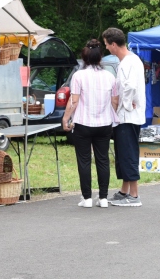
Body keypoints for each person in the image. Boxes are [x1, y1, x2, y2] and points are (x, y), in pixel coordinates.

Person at [61, 39, 118, 208]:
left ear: (84, 57)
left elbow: (74, 101)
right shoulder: (110, 76)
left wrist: (66, 118)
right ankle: (103, 198)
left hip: (83, 123)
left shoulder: (78, 76)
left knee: (84, 160)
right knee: (103, 160)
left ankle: (86, 198)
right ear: (101, 57)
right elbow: (115, 101)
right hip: (104, 123)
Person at [103, 27, 146, 207]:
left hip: (128, 116)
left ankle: (134, 195)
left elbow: (129, 87)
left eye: (106, 44)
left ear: (114, 44)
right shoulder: (130, 61)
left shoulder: (128, 62)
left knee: (128, 154)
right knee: (122, 154)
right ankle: (124, 190)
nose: (106, 48)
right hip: (126, 116)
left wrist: (126, 104)